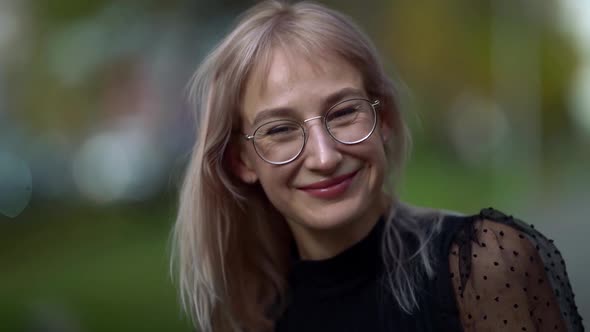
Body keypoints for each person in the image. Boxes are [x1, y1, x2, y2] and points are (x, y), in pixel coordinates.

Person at [171, 1, 584, 331]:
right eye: (280, 130)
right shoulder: (250, 315)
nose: (324, 156)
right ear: (241, 161)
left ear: (382, 117)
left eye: (344, 112)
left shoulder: (482, 266)